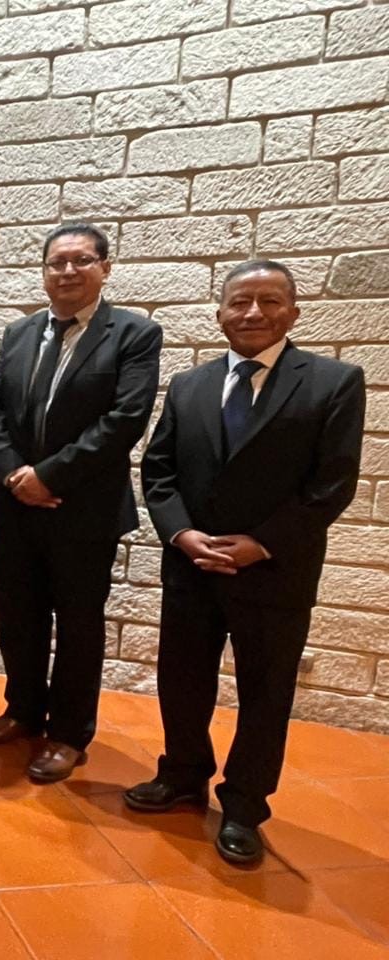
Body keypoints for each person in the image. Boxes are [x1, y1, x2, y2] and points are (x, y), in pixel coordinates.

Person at [125, 260, 364, 866]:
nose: (254, 312)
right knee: (182, 680)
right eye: (240, 301)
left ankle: (244, 806)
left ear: (293, 312)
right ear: (221, 314)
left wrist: (261, 543)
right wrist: (181, 534)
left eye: (269, 300)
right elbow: (159, 471)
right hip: (192, 566)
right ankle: (182, 775)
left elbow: (332, 484)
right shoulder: (189, 385)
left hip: (274, 570)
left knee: (265, 691)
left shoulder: (334, 382)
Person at [0, 222, 162, 783]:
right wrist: (14, 474)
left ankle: (69, 734)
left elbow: (125, 419)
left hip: (83, 510)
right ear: (44, 272)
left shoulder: (134, 334)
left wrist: (50, 476)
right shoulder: (20, 333)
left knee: (79, 626)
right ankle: (23, 711)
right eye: (57, 262)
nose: (68, 271)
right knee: (18, 617)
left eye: (81, 260)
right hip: (16, 506)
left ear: (106, 267)